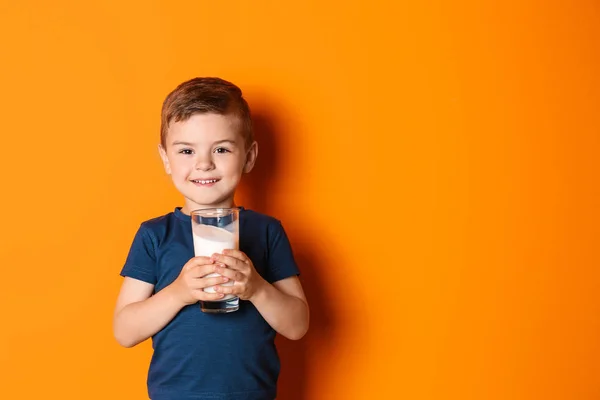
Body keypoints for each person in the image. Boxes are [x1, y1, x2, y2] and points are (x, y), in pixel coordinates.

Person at [113, 77, 309, 400]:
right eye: (187, 150)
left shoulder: (266, 231)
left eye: (221, 148)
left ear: (248, 157)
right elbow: (124, 330)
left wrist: (257, 288)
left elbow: (298, 324)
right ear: (166, 158)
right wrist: (179, 292)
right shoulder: (154, 235)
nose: (203, 163)